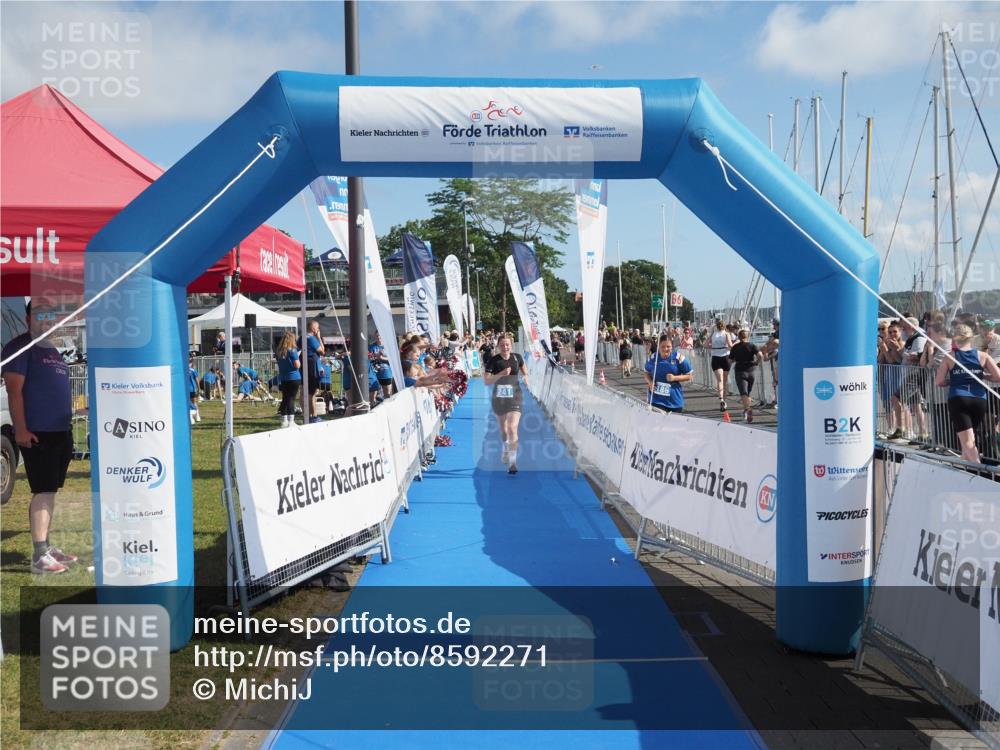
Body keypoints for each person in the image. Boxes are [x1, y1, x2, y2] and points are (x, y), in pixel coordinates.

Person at [1, 302, 78, 574]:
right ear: (28, 317)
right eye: (40, 314)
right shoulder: (19, 347)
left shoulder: (51, 348)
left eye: (50, 315)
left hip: (59, 431)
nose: (46, 319)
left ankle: (46, 546)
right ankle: (39, 555)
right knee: (42, 491)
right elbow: (14, 391)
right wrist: (21, 429)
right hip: (38, 433)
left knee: (49, 491)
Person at [935, 324, 1000, 463]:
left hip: (959, 398)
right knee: (969, 437)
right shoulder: (983, 355)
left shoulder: (950, 357)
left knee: (968, 440)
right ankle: (965, 463)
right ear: (971, 338)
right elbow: (998, 377)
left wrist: (951, 381)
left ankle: (978, 471)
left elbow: (939, 381)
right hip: (979, 399)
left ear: (955, 339)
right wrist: (984, 376)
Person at [483, 333, 528, 474]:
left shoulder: (517, 357)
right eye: (502, 345)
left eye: (507, 344)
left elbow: (524, 371)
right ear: (498, 346)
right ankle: (505, 447)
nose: (505, 347)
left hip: (515, 396)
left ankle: (513, 463)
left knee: (512, 428)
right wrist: (501, 374)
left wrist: (526, 378)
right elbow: (486, 381)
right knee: (503, 430)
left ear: (511, 345)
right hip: (499, 397)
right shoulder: (493, 361)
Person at [644, 333, 694, 413]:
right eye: (662, 347)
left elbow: (690, 376)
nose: (665, 349)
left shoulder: (679, 358)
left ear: (672, 347)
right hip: (656, 400)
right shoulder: (653, 358)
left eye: (668, 347)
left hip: (674, 400)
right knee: (658, 423)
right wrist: (650, 382)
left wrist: (675, 378)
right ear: (658, 347)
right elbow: (646, 373)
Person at [730, 329, 763, 423]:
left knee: (743, 392)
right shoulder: (752, 346)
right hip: (752, 371)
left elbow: (730, 360)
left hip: (740, 370)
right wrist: (757, 362)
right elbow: (760, 355)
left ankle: (748, 409)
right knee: (748, 392)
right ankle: (745, 410)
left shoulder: (735, 347)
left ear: (739, 337)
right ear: (747, 336)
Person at [299, 319, 325, 423]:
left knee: (303, 392)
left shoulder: (301, 338)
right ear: (314, 329)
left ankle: (306, 414)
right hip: (312, 368)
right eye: (318, 328)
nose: (318, 329)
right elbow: (322, 351)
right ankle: (314, 416)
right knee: (312, 393)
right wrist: (318, 337)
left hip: (303, 367)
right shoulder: (312, 338)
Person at [275, 331, 301, 428]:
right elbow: (297, 365)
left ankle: (284, 421)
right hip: (294, 377)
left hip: (284, 377)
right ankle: (291, 422)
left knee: (285, 398)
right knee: (291, 399)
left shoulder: (279, 351)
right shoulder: (292, 350)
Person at [709, 318, 735, 411]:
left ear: (716, 326)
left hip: (715, 357)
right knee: (725, 380)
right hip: (725, 357)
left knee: (719, 380)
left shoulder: (713, 334)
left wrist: (712, 347)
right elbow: (731, 345)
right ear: (724, 326)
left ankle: (721, 399)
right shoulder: (726, 334)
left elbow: (705, 344)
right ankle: (725, 400)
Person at [187, 357, 201, 424]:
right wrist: (198, 388)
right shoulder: (193, 370)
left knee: (192, 402)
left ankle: (196, 416)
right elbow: (197, 380)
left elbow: (196, 379)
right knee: (193, 402)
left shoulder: (190, 370)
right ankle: (195, 416)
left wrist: (198, 388)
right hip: (191, 389)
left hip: (191, 389)